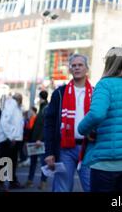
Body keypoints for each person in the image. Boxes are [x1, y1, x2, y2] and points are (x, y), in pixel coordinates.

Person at [78, 47, 122, 192]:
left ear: (109, 63)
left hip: (105, 161)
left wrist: (82, 129)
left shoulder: (104, 85)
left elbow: (97, 114)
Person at [44, 54, 92, 192]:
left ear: (86, 69)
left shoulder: (95, 92)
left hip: (88, 148)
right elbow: (49, 123)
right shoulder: (59, 93)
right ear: (70, 69)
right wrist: (49, 152)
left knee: (92, 187)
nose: (77, 68)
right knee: (62, 189)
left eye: (80, 65)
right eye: (74, 65)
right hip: (65, 149)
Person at [0, 93, 25, 192]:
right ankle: (0, 184)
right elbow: (4, 122)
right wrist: (11, 136)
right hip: (8, 139)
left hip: (13, 139)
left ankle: (11, 182)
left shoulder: (16, 107)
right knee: (5, 161)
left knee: (11, 162)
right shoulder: (11, 105)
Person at [26, 91, 48, 190]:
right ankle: (32, 180)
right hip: (37, 140)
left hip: (39, 140)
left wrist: (39, 138)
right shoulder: (43, 108)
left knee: (42, 162)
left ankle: (42, 182)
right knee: (35, 161)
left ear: (40, 97)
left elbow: (44, 125)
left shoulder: (45, 108)